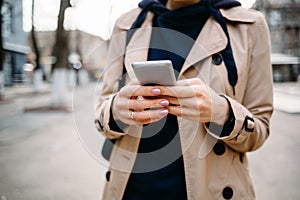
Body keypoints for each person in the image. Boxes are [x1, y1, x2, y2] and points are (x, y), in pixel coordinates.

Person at [95, 0, 273, 199]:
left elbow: (260, 129)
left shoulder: (250, 25)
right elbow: (101, 115)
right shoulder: (127, 24)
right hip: (130, 191)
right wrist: (116, 111)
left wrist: (222, 112)